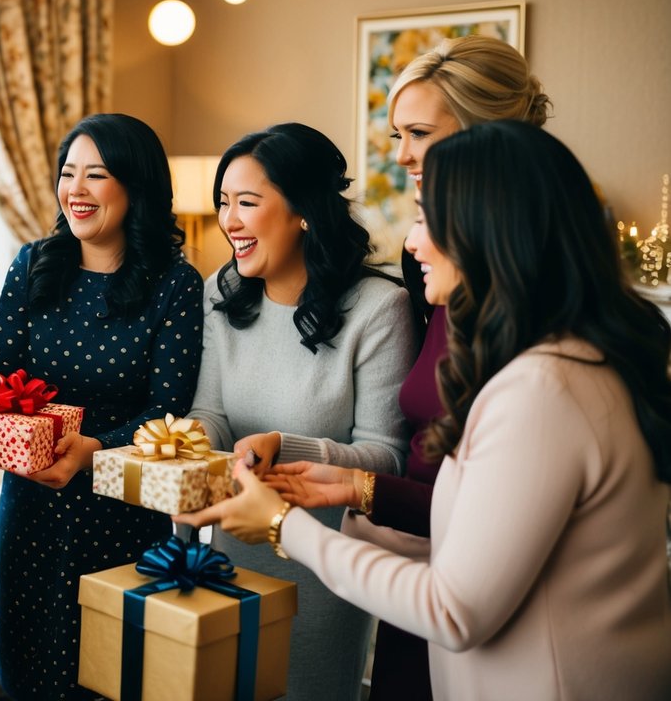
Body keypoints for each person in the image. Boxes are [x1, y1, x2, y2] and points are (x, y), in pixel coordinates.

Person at [179, 121, 671, 701]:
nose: (411, 244)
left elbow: (453, 607)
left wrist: (283, 526)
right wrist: (353, 486)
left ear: (490, 230)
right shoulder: (568, 366)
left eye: (423, 217)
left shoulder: (543, 391)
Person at [267, 36, 553, 700]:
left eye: (418, 133)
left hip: (477, 586)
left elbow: (496, 506)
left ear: (488, 136)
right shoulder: (429, 265)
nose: (398, 156)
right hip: (413, 553)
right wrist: (352, 485)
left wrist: (339, 502)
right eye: (396, 133)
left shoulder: (534, 298)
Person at [0, 113, 203, 699]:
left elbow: (169, 412)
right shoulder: (34, 262)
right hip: (31, 506)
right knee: (28, 675)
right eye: (68, 173)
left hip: (121, 511)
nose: (75, 190)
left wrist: (95, 450)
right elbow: (1, 366)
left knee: (113, 677)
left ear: (135, 186)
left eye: (97, 174)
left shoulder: (174, 285)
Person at [184, 122, 414, 701]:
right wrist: (187, 436)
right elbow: (212, 412)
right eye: (222, 203)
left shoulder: (379, 309)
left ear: (303, 211)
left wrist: (285, 444)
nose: (228, 221)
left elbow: (387, 455)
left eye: (247, 203)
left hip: (327, 568)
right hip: (231, 549)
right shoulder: (221, 291)